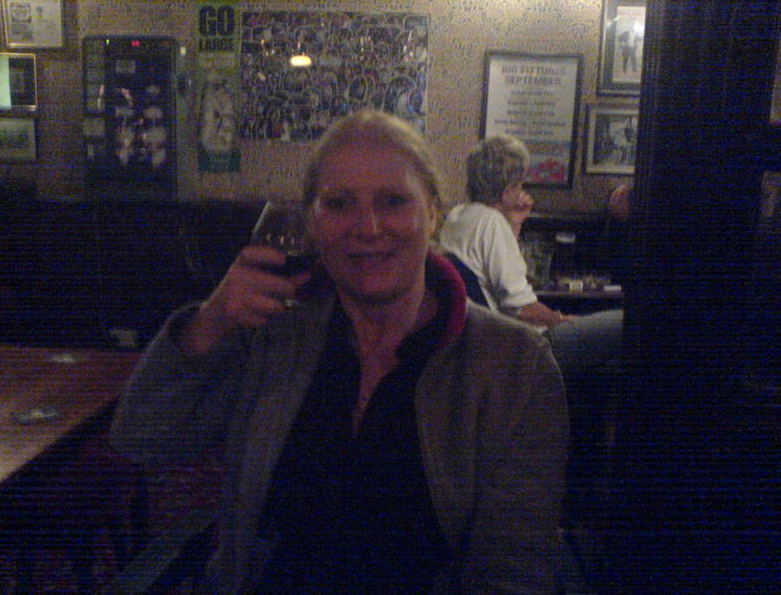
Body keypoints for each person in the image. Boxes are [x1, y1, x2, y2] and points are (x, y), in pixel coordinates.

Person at [110, 109, 569, 595]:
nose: (367, 227)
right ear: (312, 221)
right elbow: (141, 438)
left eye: (393, 200)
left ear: (433, 213)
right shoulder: (269, 332)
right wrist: (211, 320)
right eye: (339, 203)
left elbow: (512, 569)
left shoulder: (516, 366)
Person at [439, 135, 623, 379]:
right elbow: (522, 309)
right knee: (626, 323)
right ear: (507, 192)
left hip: (482, 343)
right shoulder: (491, 222)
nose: (522, 191)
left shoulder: (459, 215)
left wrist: (514, 223)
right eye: (520, 185)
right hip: (522, 347)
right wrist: (563, 319)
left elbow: (497, 273)